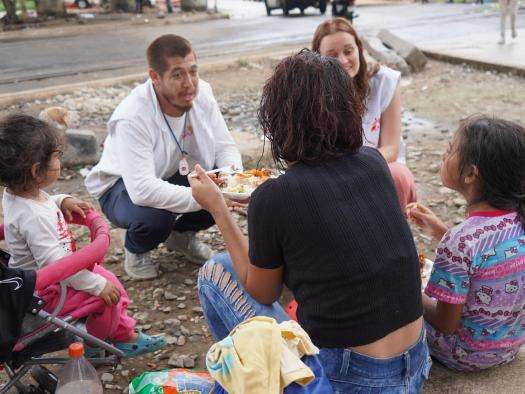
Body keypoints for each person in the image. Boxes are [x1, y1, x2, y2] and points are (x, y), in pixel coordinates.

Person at [191, 50, 431, 392]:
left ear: (278, 118)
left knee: (216, 270)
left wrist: (219, 209)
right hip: (414, 366)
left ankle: (249, 379)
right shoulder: (373, 162)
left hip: (350, 379)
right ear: (350, 109)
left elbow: (262, 290)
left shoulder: (275, 197)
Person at [0, 114, 165, 357]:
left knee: (107, 280)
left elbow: (41, 207)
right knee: (107, 294)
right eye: (57, 156)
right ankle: (101, 342)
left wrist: (61, 200)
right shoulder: (32, 217)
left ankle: (119, 331)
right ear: (37, 171)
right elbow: (55, 263)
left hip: (48, 280)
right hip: (47, 290)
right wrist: (96, 286)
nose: (60, 160)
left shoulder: (19, 194)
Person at [85, 35, 242, 280]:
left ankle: (180, 237)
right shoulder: (133, 116)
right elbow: (142, 190)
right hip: (121, 187)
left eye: (193, 71)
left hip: (170, 173)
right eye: (177, 75)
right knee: (156, 216)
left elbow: (225, 147)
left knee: (220, 182)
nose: (189, 83)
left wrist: (235, 183)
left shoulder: (202, 93)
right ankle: (136, 249)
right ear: (155, 77)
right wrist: (209, 198)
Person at [407, 115, 525, 371]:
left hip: (464, 354)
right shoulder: (516, 220)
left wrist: (407, 286)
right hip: (509, 345)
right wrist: (441, 232)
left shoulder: (461, 242)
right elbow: (489, 257)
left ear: (471, 173)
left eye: (450, 150)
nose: (443, 156)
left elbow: (444, 322)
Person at [312, 18, 417, 210]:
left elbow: (391, 149)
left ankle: (395, 233)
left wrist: (354, 166)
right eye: (332, 55)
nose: (343, 61)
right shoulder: (312, 93)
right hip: (332, 171)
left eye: (348, 51)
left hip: (376, 165)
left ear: (359, 49)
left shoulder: (384, 81)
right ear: (318, 59)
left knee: (400, 177)